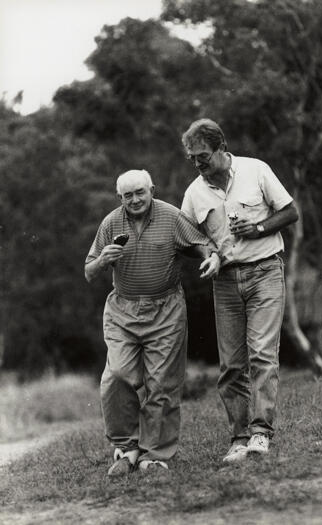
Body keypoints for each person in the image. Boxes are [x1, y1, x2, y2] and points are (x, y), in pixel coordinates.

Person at [85, 169, 220, 475]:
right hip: (122, 311)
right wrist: (103, 260)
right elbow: (89, 272)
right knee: (116, 376)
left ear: (152, 190)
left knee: (161, 384)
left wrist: (210, 257)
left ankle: (155, 455)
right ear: (120, 198)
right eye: (128, 195)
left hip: (166, 310)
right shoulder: (110, 223)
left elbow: (201, 242)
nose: (135, 200)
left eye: (140, 193)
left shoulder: (170, 216)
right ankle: (126, 447)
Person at [181, 118, 298, 463]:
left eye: (202, 155)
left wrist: (259, 227)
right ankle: (239, 438)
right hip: (226, 282)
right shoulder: (194, 193)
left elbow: (290, 212)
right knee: (232, 364)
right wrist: (209, 254)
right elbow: (188, 237)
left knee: (262, 353)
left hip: (266, 271)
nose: (198, 163)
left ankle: (261, 434)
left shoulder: (256, 170)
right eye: (192, 158)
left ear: (222, 148)